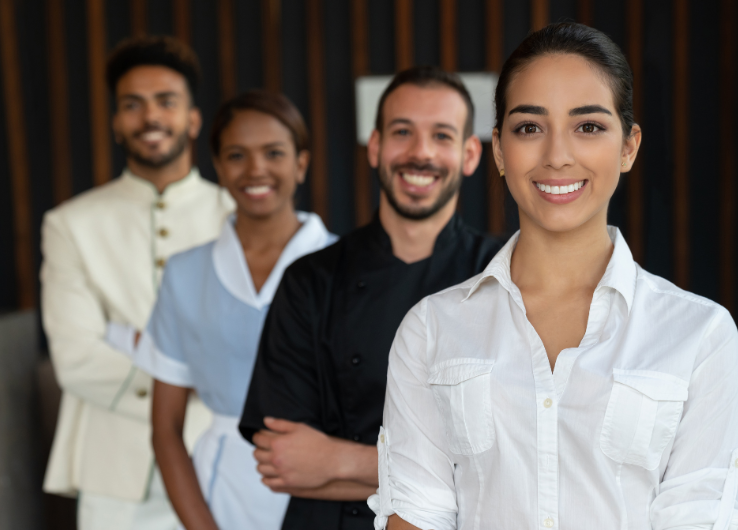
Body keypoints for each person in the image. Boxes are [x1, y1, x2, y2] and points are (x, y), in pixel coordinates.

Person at [371, 22, 738, 530]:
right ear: (500, 150)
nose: (557, 155)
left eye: (588, 126)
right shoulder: (431, 330)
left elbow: (700, 518)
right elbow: (415, 516)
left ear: (629, 147)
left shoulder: (699, 334)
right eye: (530, 127)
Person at [238, 66, 503, 529]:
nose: (420, 153)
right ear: (376, 147)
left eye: (441, 135)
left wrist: (337, 461)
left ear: (469, 154)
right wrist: (453, 476)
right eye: (403, 132)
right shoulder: (310, 281)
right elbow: (282, 461)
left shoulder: (503, 274)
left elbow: (517, 461)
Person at [41, 36, 234, 530]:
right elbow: (76, 357)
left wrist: (129, 343)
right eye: (133, 104)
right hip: (112, 473)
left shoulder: (235, 217)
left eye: (166, 101)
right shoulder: (71, 224)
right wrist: (193, 378)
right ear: (116, 123)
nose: (150, 117)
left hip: (223, 462)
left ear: (192, 119)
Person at [134, 90, 337, 530]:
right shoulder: (186, 274)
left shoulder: (347, 267)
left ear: (301, 163)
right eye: (237, 155)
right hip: (222, 495)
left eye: (274, 153)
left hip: (332, 491)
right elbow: (165, 429)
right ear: (218, 168)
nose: (256, 169)